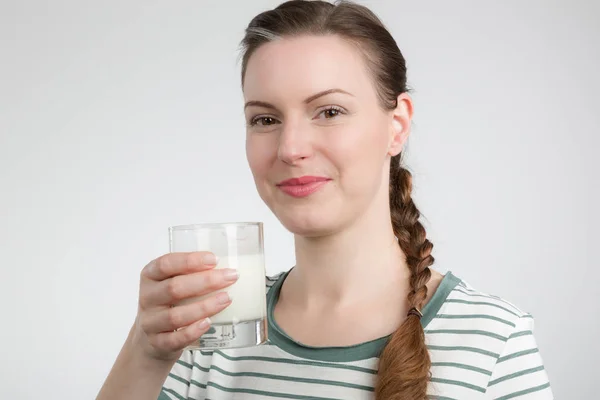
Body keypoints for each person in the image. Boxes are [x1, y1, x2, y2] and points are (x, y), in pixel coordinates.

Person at [97, 1, 553, 399]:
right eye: (265, 119)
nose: (290, 147)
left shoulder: (493, 341)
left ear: (396, 125)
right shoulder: (209, 337)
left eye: (329, 111)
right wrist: (145, 349)